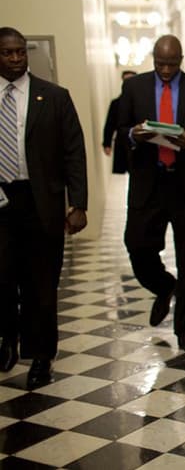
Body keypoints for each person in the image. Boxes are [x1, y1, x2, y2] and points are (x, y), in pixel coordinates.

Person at [117, 34, 185, 356]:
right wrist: (134, 135)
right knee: (136, 246)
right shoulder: (134, 88)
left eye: (172, 64)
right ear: (152, 58)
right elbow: (120, 130)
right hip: (148, 184)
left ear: (181, 60)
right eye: (160, 63)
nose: (165, 69)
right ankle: (164, 286)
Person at [0, 27, 88, 388]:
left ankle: (41, 356)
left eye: (21, 52)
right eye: (8, 53)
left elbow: (74, 153)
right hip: (0, 202)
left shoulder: (53, 97)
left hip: (41, 204)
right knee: (3, 279)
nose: (17, 58)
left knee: (41, 284)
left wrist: (78, 203)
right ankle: (8, 337)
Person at [102, 70, 137, 174]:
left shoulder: (143, 102)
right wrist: (107, 143)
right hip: (122, 142)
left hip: (140, 143)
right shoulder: (116, 103)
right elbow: (110, 124)